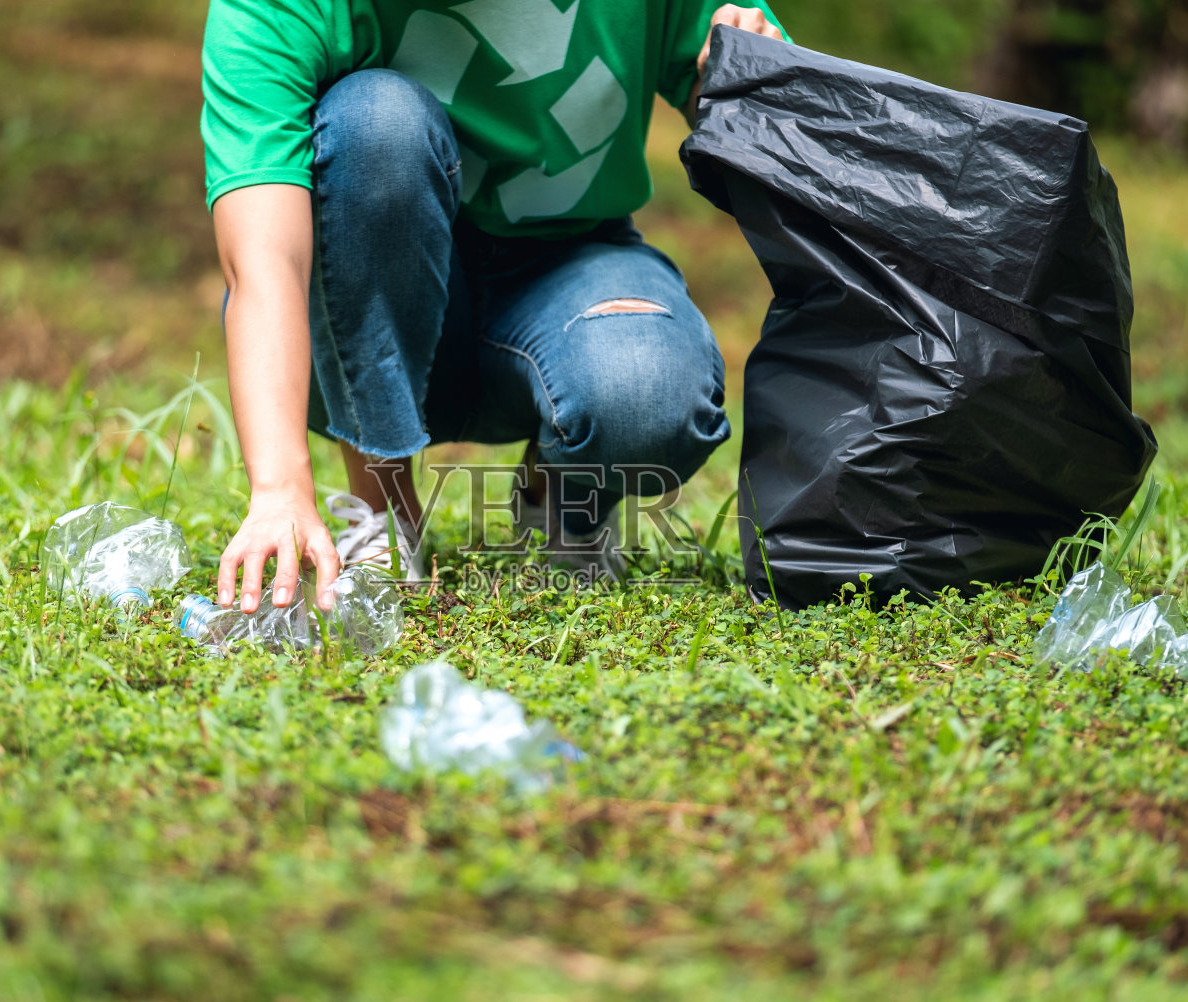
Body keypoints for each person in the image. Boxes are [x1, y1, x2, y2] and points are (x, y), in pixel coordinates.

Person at [202, 0, 786, 613]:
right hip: (362, 302)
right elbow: (265, 259)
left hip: (569, 265)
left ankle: (557, 494)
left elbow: (768, 130)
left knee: (646, 392)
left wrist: (739, 76)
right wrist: (278, 486)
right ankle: (383, 512)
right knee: (375, 120)